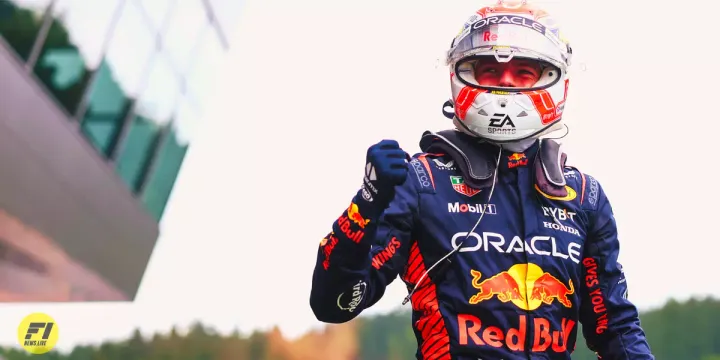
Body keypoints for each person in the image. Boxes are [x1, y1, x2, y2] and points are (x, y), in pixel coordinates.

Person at [309, 0, 655, 359]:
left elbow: (614, 326)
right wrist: (367, 202)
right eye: (489, 69)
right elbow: (335, 304)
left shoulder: (583, 197)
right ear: (460, 74)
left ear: (556, 82)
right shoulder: (422, 181)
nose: (505, 81)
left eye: (524, 71)